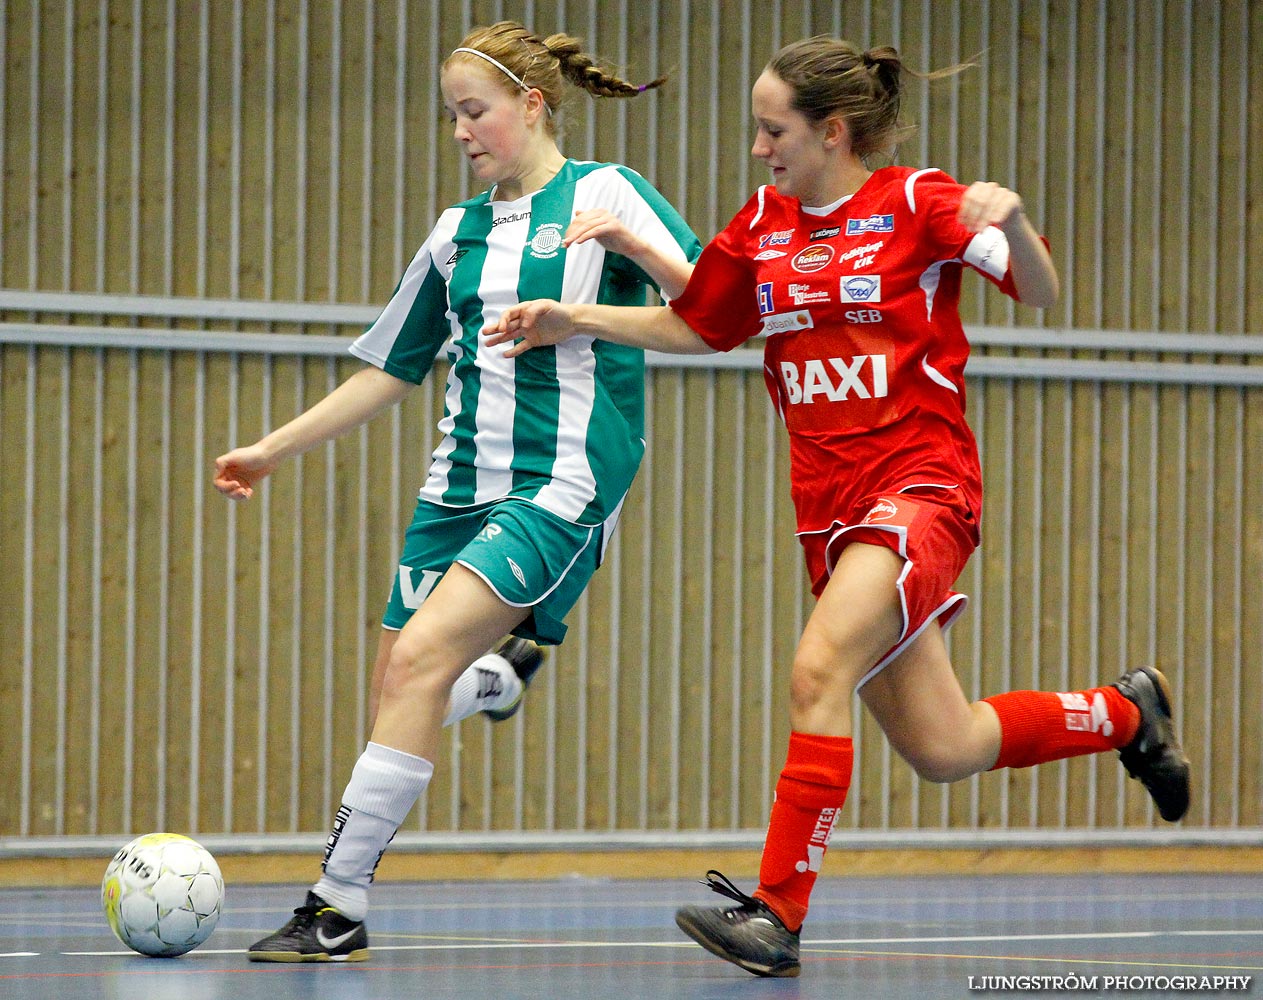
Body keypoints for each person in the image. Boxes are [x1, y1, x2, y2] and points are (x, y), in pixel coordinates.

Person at [484, 36, 1190, 979]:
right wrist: (584, 317)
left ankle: (775, 913)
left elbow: (1040, 287)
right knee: (946, 746)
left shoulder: (913, 201)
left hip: (922, 488)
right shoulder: (762, 225)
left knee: (817, 668)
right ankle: (1124, 714)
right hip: (827, 514)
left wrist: (1013, 224)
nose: (758, 147)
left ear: (833, 131)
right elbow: (705, 324)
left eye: (772, 129)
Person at [214, 20, 701, 962]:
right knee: (400, 688)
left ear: (532, 104)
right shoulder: (454, 234)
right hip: (454, 487)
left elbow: (713, 316)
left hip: (561, 479)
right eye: (451, 116)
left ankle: (335, 904)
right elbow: (389, 371)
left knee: (418, 660)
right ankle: (495, 679)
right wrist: (271, 449)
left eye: (474, 112)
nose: (461, 132)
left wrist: (607, 285)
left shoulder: (605, 194)